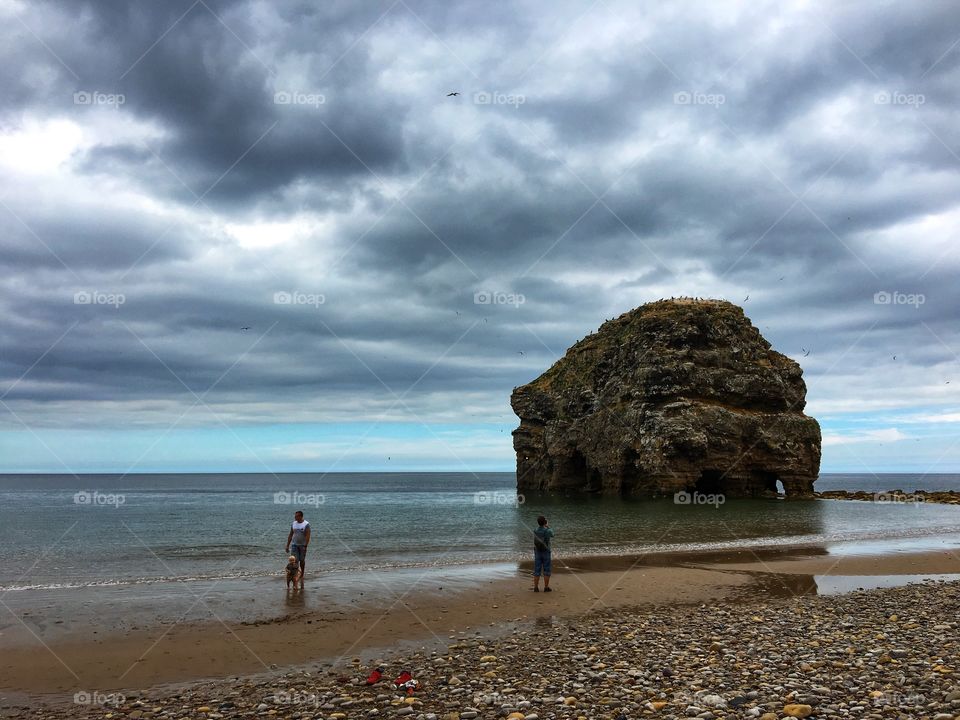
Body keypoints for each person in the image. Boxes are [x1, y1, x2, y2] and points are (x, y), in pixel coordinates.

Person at [285, 510, 310, 587]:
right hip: (294, 545)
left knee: (302, 560)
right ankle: (295, 575)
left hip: (302, 545)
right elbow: (290, 534)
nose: (295, 517)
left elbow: (307, 536)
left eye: (296, 516)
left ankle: (302, 573)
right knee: (295, 561)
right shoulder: (293, 524)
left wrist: (306, 545)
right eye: (295, 516)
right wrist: (287, 545)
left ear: (301, 516)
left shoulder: (306, 524)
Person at [533, 515, 554, 592]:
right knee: (547, 569)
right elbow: (552, 534)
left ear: (538, 522)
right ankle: (546, 587)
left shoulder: (535, 530)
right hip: (546, 551)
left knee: (537, 569)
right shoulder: (547, 530)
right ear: (545, 522)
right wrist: (548, 526)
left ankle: (535, 587)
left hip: (537, 551)